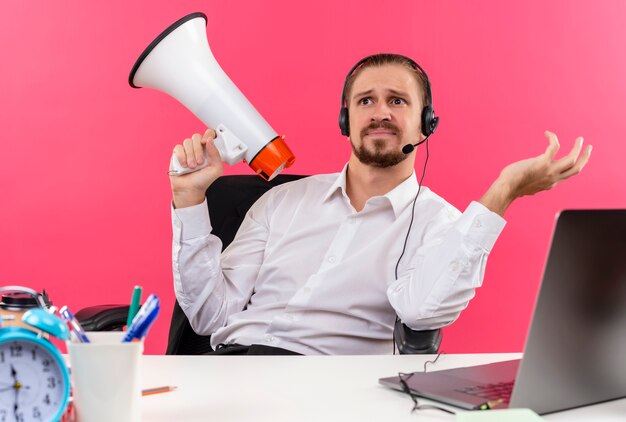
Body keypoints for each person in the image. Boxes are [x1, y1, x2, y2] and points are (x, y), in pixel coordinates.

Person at [169, 54, 592, 355]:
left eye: (397, 100)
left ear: (427, 124)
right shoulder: (281, 201)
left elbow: (421, 311)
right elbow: (210, 316)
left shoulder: (441, 224)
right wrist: (188, 201)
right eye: (366, 100)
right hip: (230, 372)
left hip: (326, 389)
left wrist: (503, 192)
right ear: (345, 120)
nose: (380, 113)